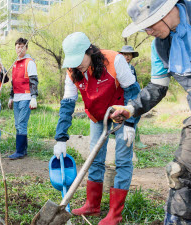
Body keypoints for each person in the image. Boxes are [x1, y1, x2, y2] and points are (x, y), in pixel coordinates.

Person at [112, 0, 191, 224]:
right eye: (143, 27)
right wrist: (131, 108)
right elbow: (157, 87)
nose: (148, 31)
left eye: (150, 24)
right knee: (178, 173)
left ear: (168, 10)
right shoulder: (159, 46)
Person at [53, 32, 141, 225]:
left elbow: (133, 91)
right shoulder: (72, 71)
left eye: (80, 60)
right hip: (97, 116)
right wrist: (61, 138)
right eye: (73, 61)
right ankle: (93, 205)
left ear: (90, 51)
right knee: (94, 157)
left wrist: (129, 123)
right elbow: (68, 104)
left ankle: (115, 214)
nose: (77, 65)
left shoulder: (114, 60)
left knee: (123, 159)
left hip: (120, 112)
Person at [7, 37, 38, 160]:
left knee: (21, 123)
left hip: (26, 97)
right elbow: (13, 82)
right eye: (18, 46)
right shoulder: (15, 63)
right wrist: (11, 97)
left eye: (22, 46)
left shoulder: (29, 62)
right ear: (15, 48)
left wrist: (33, 97)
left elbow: (33, 80)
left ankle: (19, 151)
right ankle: (23, 150)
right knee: (17, 124)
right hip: (17, 98)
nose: (20, 49)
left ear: (26, 48)